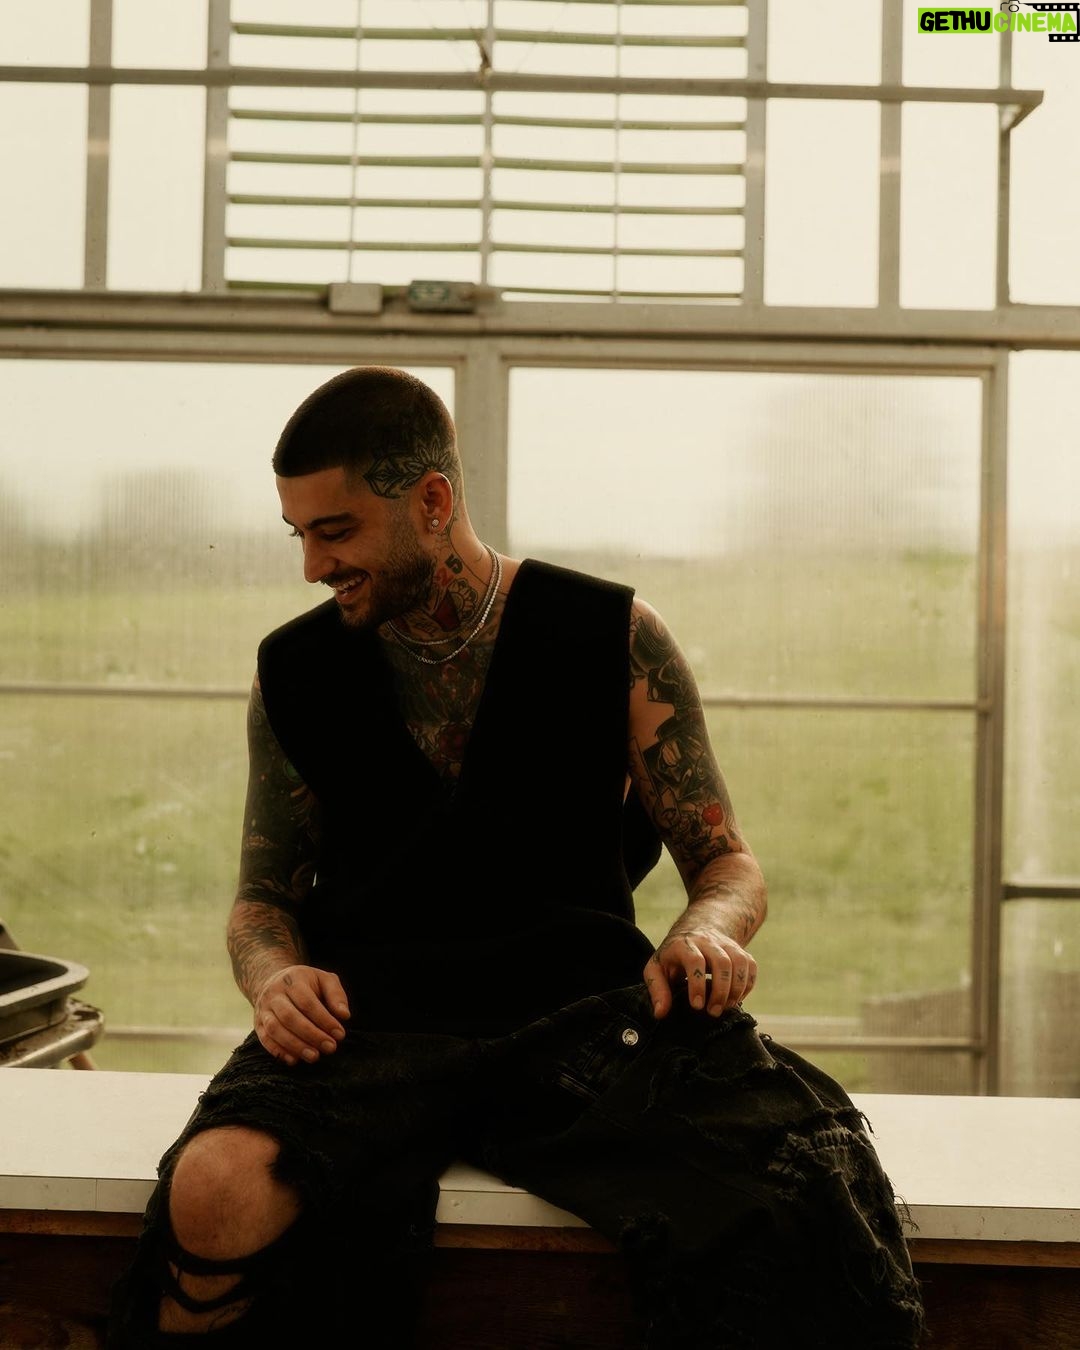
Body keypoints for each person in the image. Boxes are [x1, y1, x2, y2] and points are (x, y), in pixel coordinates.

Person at [108, 367, 924, 1348]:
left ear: (432, 501)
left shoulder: (614, 635)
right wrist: (275, 978)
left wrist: (707, 932)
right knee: (213, 1185)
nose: (315, 566)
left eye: (336, 532)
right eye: (300, 536)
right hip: (368, 1027)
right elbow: (262, 900)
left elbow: (725, 863)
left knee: (800, 1190)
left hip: (581, 1021)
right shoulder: (294, 668)